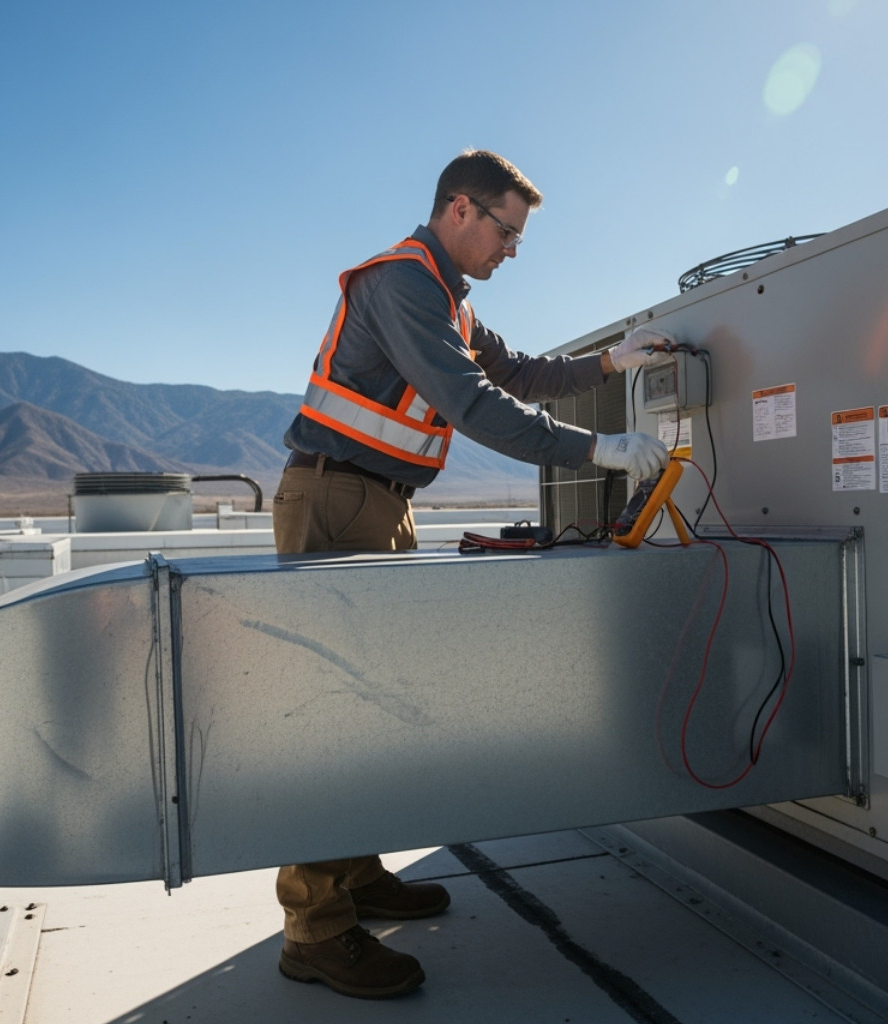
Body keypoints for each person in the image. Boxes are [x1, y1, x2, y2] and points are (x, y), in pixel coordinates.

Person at [271, 148, 672, 1000]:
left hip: (378, 503)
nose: (512, 251)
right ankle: (314, 928)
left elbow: (519, 371)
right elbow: (478, 406)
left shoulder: (447, 299)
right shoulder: (403, 285)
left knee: (374, 703)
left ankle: (356, 874)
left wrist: (613, 363)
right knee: (332, 714)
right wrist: (600, 450)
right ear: (460, 208)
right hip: (336, 502)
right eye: (507, 232)